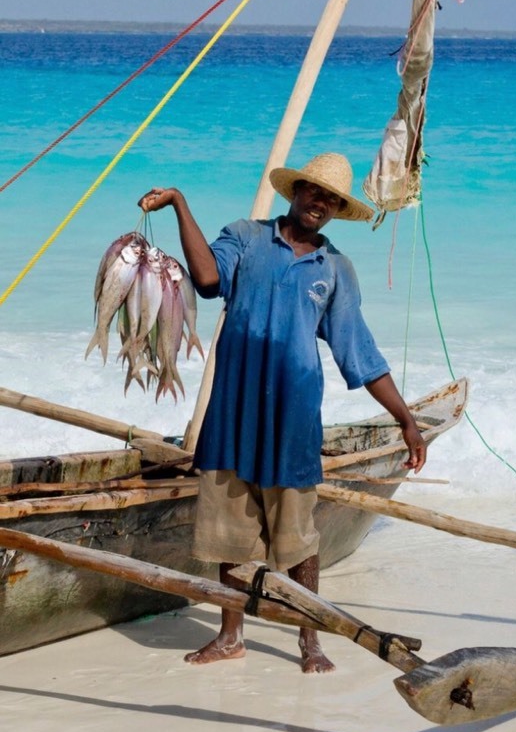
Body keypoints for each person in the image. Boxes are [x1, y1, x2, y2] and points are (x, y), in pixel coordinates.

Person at [138, 152, 426, 674]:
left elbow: (357, 350)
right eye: (314, 192)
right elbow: (205, 279)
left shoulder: (333, 268)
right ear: (295, 192)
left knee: (299, 538)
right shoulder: (246, 238)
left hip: (293, 419)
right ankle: (230, 636)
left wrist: (405, 418)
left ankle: (309, 640)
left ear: (338, 210)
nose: (321, 204)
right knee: (230, 533)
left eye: (333, 200)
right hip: (232, 413)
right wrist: (180, 202)